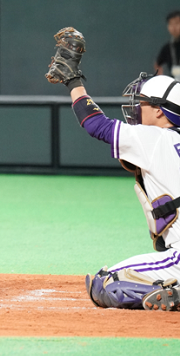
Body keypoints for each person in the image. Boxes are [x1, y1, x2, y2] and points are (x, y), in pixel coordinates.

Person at [46, 27, 180, 311]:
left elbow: (95, 124)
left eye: (142, 103)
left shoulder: (155, 138)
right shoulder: (169, 140)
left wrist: (73, 80)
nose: (136, 108)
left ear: (159, 111)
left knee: (105, 284)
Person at [154, 10, 180, 79]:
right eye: (171, 24)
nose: (174, 27)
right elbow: (158, 64)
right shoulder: (167, 48)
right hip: (175, 83)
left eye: (177, 23)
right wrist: (160, 77)